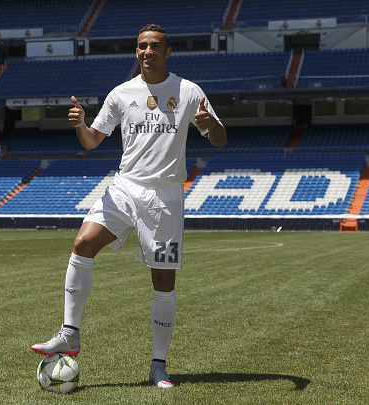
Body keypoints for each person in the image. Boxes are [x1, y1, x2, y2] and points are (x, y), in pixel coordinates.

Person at [32, 23, 226, 389]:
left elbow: (219, 138)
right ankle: (69, 334)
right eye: (141, 46)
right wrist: (81, 124)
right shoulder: (121, 93)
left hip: (165, 198)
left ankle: (158, 365)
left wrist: (210, 124)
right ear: (136, 52)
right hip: (125, 187)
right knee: (83, 244)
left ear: (168, 52)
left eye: (154, 46)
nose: (147, 52)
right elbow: (92, 141)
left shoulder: (188, 91)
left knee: (163, 281)